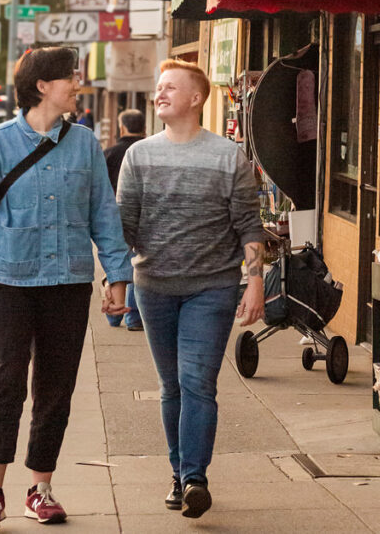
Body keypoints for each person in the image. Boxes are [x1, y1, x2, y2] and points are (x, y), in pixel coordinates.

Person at [0, 47, 131, 529]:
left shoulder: (85, 144)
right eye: (69, 77)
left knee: (56, 389)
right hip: (8, 280)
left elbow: (103, 216)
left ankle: (40, 488)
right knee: (5, 382)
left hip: (67, 282)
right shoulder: (0, 143)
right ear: (42, 86)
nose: (77, 83)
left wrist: (118, 276)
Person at [116, 59, 266, 519]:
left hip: (213, 288)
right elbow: (123, 226)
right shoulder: (138, 155)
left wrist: (255, 279)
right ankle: (178, 473)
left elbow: (248, 223)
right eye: (158, 88)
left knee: (197, 381)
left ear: (197, 98)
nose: (159, 95)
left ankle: (195, 477)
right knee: (170, 387)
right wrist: (114, 281)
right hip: (154, 287)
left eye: (169, 88)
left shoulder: (227, 156)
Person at [102, 108, 146, 331]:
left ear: (121, 128)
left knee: (118, 261)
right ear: (144, 128)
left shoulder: (109, 153)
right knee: (137, 264)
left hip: (114, 217)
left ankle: (113, 316)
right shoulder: (149, 153)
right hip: (145, 217)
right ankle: (134, 318)